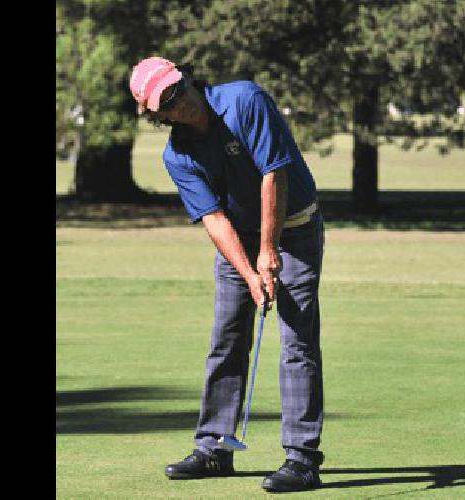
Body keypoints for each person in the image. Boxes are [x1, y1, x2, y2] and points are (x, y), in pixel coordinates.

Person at [128, 56, 325, 492]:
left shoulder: (245, 101)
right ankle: (214, 448)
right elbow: (214, 219)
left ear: (186, 80)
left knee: (297, 340)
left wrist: (269, 251)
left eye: (177, 91)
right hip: (239, 236)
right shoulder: (177, 155)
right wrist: (250, 271)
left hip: (294, 228)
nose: (179, 103)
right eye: (167, 102)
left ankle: (302, 457)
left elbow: (274, 174)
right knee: (228, 337)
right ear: (156, 114)